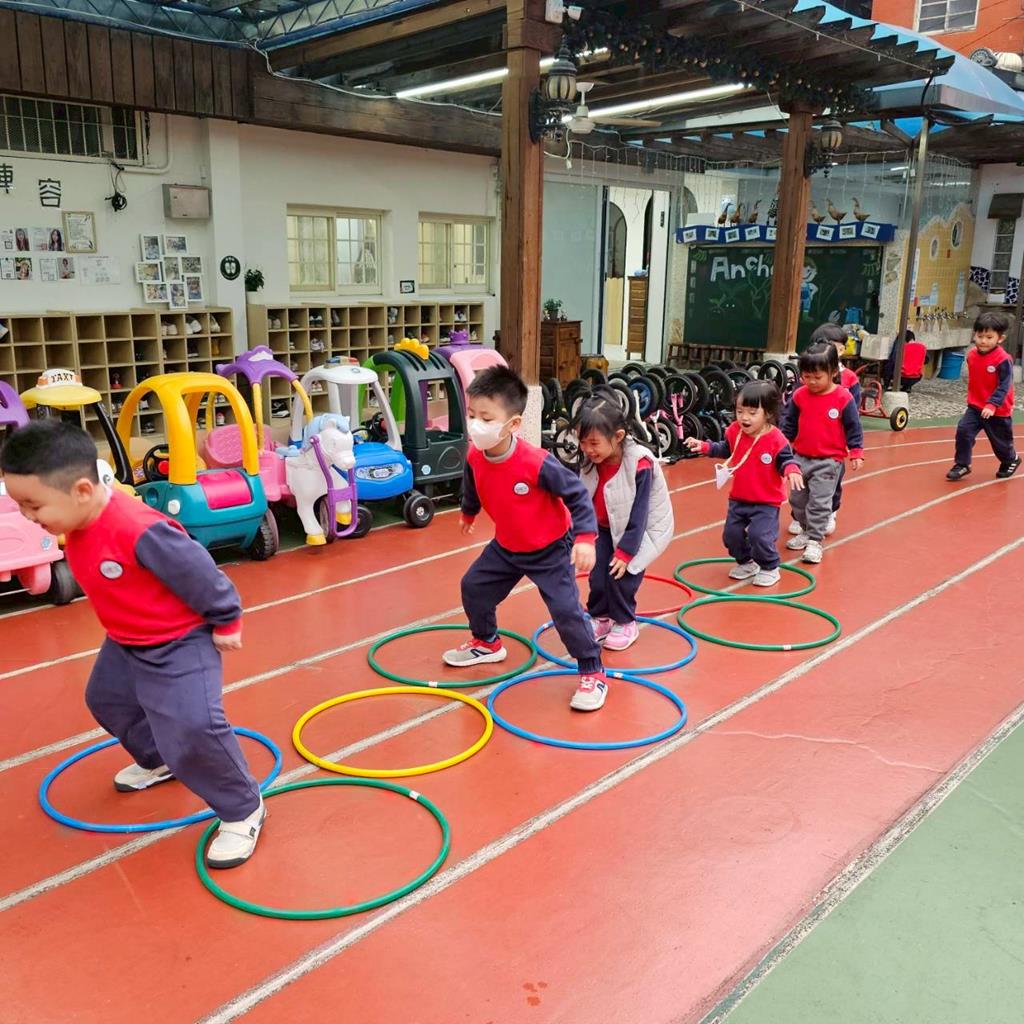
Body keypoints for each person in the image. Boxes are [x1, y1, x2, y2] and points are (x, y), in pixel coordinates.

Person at [0, 421, 265, 868]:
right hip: (127, 638)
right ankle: (159, 760)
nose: (27, 516)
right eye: (20, 505)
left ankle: (243, 807)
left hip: (180, 639)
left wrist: (226, 619)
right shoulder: (76, 518)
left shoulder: (138, 529)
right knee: (107, 701)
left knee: (193, 726)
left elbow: (201, 572)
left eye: (34, 505)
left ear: (82, 490)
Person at [445, 366, 608, 711]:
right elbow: (472, 482)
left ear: (513, 424)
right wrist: (468, 511)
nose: (475, 425)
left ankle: (592, 669)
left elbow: (577, 494)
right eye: (471, 415)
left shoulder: (536, 462)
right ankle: (487, 642)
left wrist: (585, 538)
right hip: (507, 546)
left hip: (550, 548)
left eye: (486, 418)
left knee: (565, 610)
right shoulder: (475, 454)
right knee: (473, 586)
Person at [573, 389, 674, 651]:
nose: (587, 449)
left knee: (621, 575)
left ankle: (625, 621)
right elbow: (579, 498)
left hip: (641, 530)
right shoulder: (590, 460)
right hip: (604, 526)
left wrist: (626, 552)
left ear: (618, 436)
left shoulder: (639, 462)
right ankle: (600, 617)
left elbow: (641, 513)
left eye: (594, 443)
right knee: (597, 574)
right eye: (583, 442)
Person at [686, 381, 803, 587]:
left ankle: (770, 566)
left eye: (752, 412)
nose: (744, 418)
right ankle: (747, 562)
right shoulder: (735, 431)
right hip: (739, 498)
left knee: (760, 535)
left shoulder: (776, 440)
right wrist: (704, 446)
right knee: (731, 536)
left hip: (766, 501)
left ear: (768, 413)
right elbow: (726, 448)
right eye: (740, 411)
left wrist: (792, 470)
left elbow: (786, 460)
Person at [780, 342, 864, 563]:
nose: (812, 382)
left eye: (817, 377)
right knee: (797, 500)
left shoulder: (843, 398)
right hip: (800, 457)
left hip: (829, 461)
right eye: (806, 377)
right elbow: (789, 423)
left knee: (819, 503)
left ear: (833, 372)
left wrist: (856, 451)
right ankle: (806, 530)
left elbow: (854, 427)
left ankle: (815, 541)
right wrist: (783, 443)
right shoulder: (799, 396)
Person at [946, 311, 1021, 481]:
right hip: (975, 407)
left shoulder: (1003, 359)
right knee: (964, 431)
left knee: (1001, 443)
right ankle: (963, 464)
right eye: (980, 336)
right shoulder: (972, 355)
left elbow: (1005, 385)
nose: (983, 341)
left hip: (997, 411)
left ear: (1000, 338)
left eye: (989, 337)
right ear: (974, 335)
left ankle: (1011, 459)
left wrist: (993, 404)